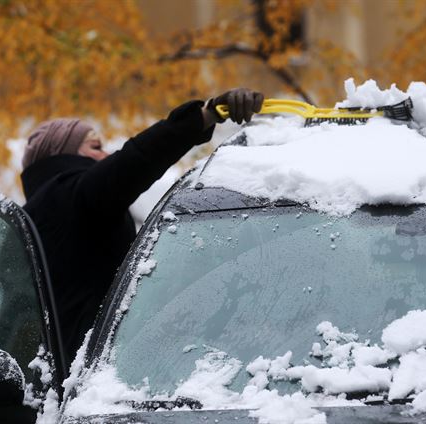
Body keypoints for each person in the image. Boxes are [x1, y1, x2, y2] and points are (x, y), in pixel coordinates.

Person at [21, 89, 264, 365]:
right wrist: (204, 115)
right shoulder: (73, 196)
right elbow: (138, 157)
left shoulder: (35, 218)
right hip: (94, 365)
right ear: (61, 154)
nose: (107, 155)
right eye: (96, 147)